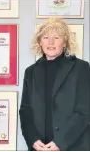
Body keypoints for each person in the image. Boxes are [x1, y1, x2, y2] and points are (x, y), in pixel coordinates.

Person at [19, 17, 90, 151]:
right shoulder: (31, 72)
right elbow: (25, 111)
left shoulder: (81, 68)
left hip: (73, 146)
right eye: (45, 37)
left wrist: (61, 142)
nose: (50, 42)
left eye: (56, 37)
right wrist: (32, 139)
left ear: (65, 42)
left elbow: (84, 111)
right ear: (40, 42)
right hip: (40, 147)